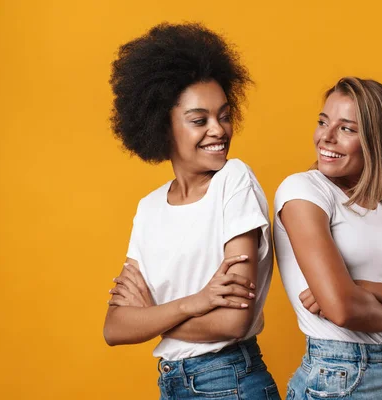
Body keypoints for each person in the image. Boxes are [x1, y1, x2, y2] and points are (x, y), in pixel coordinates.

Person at [103, 22, 279, 400]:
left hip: (230, 381)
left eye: (224, 115)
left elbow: (234, 321)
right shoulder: (148, 209)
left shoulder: (233, 181)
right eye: (199, 120)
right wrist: (194, 303)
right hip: (173, 383)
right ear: (162, 127)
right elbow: (115, 328)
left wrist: (153, 317)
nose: (218, 130)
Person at [274, 77, 382, 400]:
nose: (325, 137)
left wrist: (360, 287)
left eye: (346, 129)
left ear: (375, 140)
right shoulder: (304, 191)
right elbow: (342, 310)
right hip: (338, 375)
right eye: (323, 122)